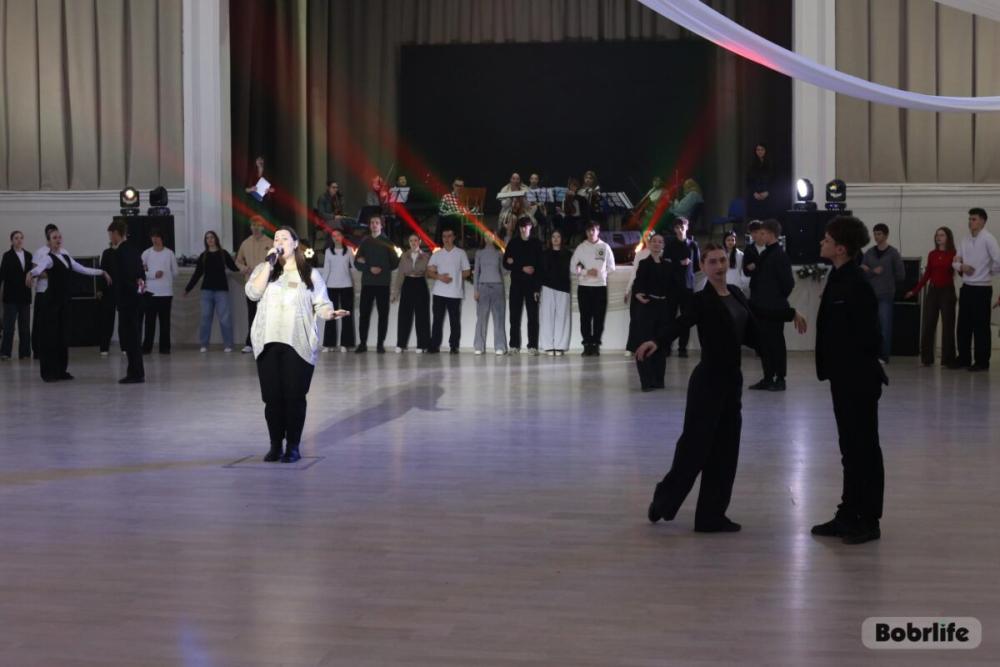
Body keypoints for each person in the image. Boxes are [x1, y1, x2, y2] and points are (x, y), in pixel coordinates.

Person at [639, 243, 806, 532]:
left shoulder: (737, 293)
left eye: (722, 261)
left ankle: (710, 516)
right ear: (702, 267)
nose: (718, 266)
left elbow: (758, 313)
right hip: (707, 381)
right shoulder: (701, 300)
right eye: (712, 262)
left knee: (726, 450)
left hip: (732, 381)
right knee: (694, 448)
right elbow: (681, 323)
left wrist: (789, 314)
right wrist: (657, 340)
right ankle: (663, 501)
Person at [811, 216, 888, 545]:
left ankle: (868, 520)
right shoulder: (838, 276)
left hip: (858, 379)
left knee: (864, 448)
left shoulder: (857, 283)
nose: (822, 243)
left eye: (827, 240)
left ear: (841, 248)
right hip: (843, 378)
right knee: (850, 448)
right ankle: (848, 513)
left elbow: (869, 336)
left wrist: (853, 367)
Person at [246, 226, 348, 463]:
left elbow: (322, 303)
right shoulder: (264, 269)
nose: (279, 241)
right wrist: (268, 265)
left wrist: (330, 314)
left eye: (284, 238)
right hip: (268, 342)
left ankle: (293, 446)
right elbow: (252, 293)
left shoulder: (309, 273)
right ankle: (275, 445)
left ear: (294, 244)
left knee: (294, 397)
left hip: (297, 344)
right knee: (272, 398)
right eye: (276, 238)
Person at [27, 227, 109, 381]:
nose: (58, 240)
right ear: (49, 241)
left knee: (62, 337)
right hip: (51, 303)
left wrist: (101, 272)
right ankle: (49, 372)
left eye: (59, 237)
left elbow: (83, 269)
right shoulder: (48, 258)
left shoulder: (66, 257)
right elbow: (38, 268)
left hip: (64, 302)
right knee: (51, 337)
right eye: (54, 238)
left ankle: (61, 371)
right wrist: (30, 273)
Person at [744, 219, 794, 391]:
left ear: (771, 234)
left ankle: (780, 378)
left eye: (763, 233)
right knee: (764, 343)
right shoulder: (766, 253)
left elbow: (788, 283)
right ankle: (767, 377)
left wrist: (775, 299)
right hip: (761, 307)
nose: (760, 236)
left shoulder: (779, 255)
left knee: (776, 343)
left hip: (774, 308)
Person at [950, 208, 1000, 371]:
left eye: (974, 219)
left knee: (981, 326)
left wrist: (990, 271)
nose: (970, 222)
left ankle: (982, 362)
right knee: (963, 325)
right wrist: (961, 266)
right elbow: (955, 261)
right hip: (967, 287)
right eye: (969, 219)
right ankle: (963, 358)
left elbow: (998, 260)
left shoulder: (988, 239)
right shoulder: (964, 239)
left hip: (982, 289)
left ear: (983, 221)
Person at [904, 227, 957, 367]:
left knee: (948, 325)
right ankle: (927, 358)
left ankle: (948, 359)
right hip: (933, 291)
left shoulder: (954, 253)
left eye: (942, 235)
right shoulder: (932, 254)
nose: (938, 237)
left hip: (947, 292)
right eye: (937, 235)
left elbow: (960, 271)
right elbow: (927, 274)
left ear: (948, 237)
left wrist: (962, 265)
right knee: (928, 324)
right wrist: (915, 291)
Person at [184, 231, 239, 352]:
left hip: (221, 291)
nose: (210, 240)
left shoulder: (223, 254)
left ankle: (228, 344)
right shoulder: (203, 256)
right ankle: (204, 344)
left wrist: (245, 269)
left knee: (225, 318)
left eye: (212, 237)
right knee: (205, 318)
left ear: (216, 239)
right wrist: (188, 288)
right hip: (206, 291)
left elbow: (234, 267)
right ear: (205, 241)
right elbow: (197, 274)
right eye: (207, 238)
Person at [106, 220, 146, 383]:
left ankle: (135, 373)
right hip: (136, 299)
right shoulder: (135, 250)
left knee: (129, 338)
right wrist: (139, 291)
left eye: (111, 235)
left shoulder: (118, 253)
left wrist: (121, 298)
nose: (110, 238)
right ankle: (137, 372)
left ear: (116, 233)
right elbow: (141, 274)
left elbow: (121, 279)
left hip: (126, 301)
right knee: (135, 337)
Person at [632, 234, 673, 391]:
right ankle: (646, 381)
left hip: (663, 307)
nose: (657, 244)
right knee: (645, 342)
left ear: (663, 245)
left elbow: (673, 286)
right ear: (649, 244)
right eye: (654, 241)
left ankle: (658, 380)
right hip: (647, 307)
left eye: (660, 242)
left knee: (660, 343)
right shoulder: (644, 263)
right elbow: (638, 282)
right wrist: (637, 293)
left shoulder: (667, 265)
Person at [861, 223, 905, 363]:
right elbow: (862, 272)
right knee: (871, 326)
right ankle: (871, 353)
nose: (876, 236)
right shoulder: (869, 252)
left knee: (885, 327)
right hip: (870, 295)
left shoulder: (893, 253)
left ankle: (884, 356)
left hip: (886, 294)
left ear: (886, 235)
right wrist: (873, 272)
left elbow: (901, 274)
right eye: (875, 233)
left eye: (879, 234)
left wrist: (886, 277)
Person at [353, 216, 398, 353]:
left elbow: (395, 263)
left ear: (381, 225)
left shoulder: (387, 242)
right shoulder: (365, 242)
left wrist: (382, 268)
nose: (374, 225)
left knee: (383, 315)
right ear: (369, 225)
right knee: (364, 314)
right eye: (372, 222)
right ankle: (362, 343)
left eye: (377, 223)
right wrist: (369, 268)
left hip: (383, 283)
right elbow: (356, 262)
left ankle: (380, 344)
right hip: (367, 283)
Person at [570, 221, 615, 355]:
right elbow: (572, 267)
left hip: (600, 287)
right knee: (585, 318)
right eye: (588, 230)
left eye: (593, 230)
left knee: (599, 318)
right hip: (584, 287)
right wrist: (586, 272)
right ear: (586, 232)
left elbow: (612, 267)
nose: (591, 233)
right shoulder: (581, 247)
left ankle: (595, 345)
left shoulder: (605, 247)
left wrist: (601, 274)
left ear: (598, 231)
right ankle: (587, 345)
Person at [427, 227, 471, 353]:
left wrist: (455, 276)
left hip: (455, 293)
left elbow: (467, 271)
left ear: (454, 237)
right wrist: (439, 277)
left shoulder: (460, 253)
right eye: (444, 236)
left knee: (454, 321)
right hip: (439, 292)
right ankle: (434, 345)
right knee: (437, 320)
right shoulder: (437, 254)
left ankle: (454, 346)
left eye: (449, 236)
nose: (446, 239)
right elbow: (429, 271)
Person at [504, 217, 543, 353]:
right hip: (516, 284)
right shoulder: (513, 243)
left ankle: (533, 346)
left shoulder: (536, 243)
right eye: (521, 226)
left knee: (533, 317)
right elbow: (505, 263)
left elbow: (540, 267)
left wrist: (537, 288)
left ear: (531, 227)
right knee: (514, 316)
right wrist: (521, 267)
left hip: (532, 285)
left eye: (526, 226)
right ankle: (514, 345)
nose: (523, 229)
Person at [236, 216, 273, 353]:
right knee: (252, 314)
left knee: (266, 314)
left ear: (263, 227)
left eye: (259, 225)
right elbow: (238, 261)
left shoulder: (270, 243)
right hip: (251, 285)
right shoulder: (245, 243)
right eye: (253, 225)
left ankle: (267, 343)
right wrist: (244, 268)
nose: (256, 228)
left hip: (267, 286)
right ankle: (250, 344)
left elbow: (277, 261)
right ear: (250, 227)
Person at [664, 217, 700, 357]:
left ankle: (682, 348)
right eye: (677, 227)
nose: (679, 230)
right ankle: (667, 346)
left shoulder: (693, 245)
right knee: (669, 318)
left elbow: (696, 266)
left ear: (687, 227)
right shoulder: (670, 244)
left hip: (687, 287)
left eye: (682, 227)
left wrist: (687, 271)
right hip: (672, 286)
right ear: (674, 229)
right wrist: (679, 263)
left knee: (686, 318)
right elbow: (665, 264)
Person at [140, 229, 178, 354]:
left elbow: (175, 272)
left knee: (165, 322)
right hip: (150, 292)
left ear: (162, 238)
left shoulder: (169, 253)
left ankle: (165, 347)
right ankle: (147, 347)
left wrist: (166, 273)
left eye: (157, 237)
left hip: (166, 293)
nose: (155, 239)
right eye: (153, 237)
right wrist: (152, 274)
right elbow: (140, 272)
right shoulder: (146, 253)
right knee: (149, 322)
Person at [319, 228, 356, 352]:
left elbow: (354, 267)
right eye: (334, 236)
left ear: (342, 237)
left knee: (346, 315)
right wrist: (322, 286)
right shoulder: (328, 251)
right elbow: (326, 270)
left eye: (338, 235)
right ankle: (329, 344)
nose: (336, 238)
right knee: (330, 315)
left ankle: (346, 344)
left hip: (346, 285)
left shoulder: (349, 250)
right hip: (331, 286)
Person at [392, 233, 431, 353]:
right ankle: (401, 344)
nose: (413, 243)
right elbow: (400, 275)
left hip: (420, 283)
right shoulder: (404, 256)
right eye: (411, 241)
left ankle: (422, 345)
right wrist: (395, 293)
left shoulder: (426, 256)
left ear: (419, 241)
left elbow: (428, 273)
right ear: (409, 242)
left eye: (415, 240)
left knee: (422, 316)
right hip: (407, 283)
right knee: (404, 315)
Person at [473, 232, 507, 355]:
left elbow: (504, 271)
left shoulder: (499, 253)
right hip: (483, 287)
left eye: (491, 236)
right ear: (484, 238)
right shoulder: (479, 253)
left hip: (497, 286)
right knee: (481, 318)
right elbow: (476, 272)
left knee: (499, 318)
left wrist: (510, 261)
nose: (489, 238)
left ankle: (500, 347)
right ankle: (479, 346)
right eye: (486, 235)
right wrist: (475, 290)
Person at [539, 229, 572, 355]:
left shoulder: (568, 254)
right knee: (547, 317)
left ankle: (560, 346)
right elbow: (540, 272)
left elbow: (577, 267)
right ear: (550, 239)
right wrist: (537, 289)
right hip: (547, 287)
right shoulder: (544, 254)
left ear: (562, 239)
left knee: (562, 317)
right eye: (553, 236)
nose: (556, 239)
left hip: (563, 288)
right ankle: (548, 346)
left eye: (558, 236)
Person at [0, 231, 32, 360]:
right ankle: (5, 352)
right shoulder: (7, 256)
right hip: (11, 296)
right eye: (16, 238)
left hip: (25, 296)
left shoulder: (28, 255)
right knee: (9, 326)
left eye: (21, 238)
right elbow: (2, 275)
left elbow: (32, 272)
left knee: (25, 327)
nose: (19, 240)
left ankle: (25, 353)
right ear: (12, 241)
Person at [624, 230, 653, 357]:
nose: (649, 238)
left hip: (653, 290)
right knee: (635, 319)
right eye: (646, 236)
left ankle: (650, 347)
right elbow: (634, 272)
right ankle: (631, 347)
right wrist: (627, 290)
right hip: (638, 288)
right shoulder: (640, 254)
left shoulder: (662, 253)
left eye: (651, 236)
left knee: (651, 320)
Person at [746, 143, 773, 221]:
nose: (760, 151)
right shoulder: (751, 165)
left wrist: (767, 192)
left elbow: (774, 181)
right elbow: (749, 181)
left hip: (768, 197)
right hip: (755, 197)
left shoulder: (771, 164)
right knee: (755, 219)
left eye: (762, 150)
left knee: (766, 219)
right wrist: (754, 193)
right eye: (758, 150)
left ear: (765, 151)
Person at [723, 230, 750, 296]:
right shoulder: (721, 254)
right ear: (724, 241)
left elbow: (743, 270)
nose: (730, 242)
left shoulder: (740, 254)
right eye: (728, 240)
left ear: (735, 241)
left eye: (732, 240)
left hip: (736, 284)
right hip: (724, 284)